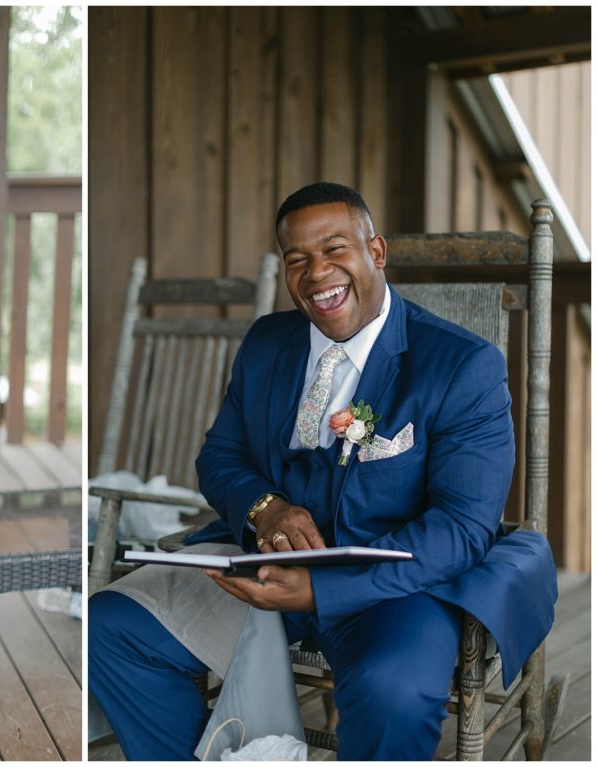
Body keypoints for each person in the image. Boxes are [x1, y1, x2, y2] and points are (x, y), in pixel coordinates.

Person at [89, 182, 557, 760]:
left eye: (335, 250)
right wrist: (266, 508)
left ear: (376, 252)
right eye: (297, 259)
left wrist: (322, 588)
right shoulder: (266, 341)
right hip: (262, 570)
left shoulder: (463, 366)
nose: (317, 274)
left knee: (396, 692)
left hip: (395, 589)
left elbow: (462, 528)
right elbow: (220, 455)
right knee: (109, 627)